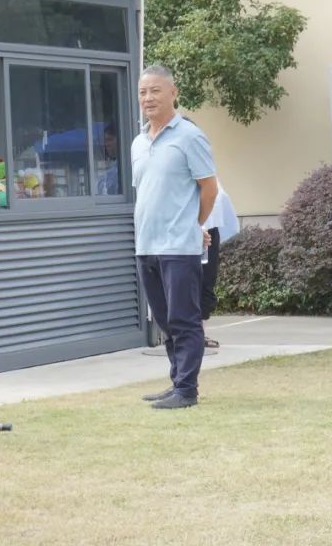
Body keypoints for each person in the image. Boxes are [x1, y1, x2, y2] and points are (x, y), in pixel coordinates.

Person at [132, 65, 218, 410]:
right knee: (166, 321)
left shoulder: (189, 136)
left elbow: (208, 188)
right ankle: (176, 382)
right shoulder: (139, 142)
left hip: (178, 246)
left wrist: (193, 225)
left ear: (173, 92)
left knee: (184, 319)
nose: (148, 98)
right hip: (146, 245)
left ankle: (187, 390)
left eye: (155, 90)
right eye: (142, 92)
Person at [200, 178, 239, 348]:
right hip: (188, 230)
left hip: (210, 228)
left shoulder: (209, 174)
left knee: (207, 281)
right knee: (186, 283)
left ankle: (199, 332)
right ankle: (187, 333)